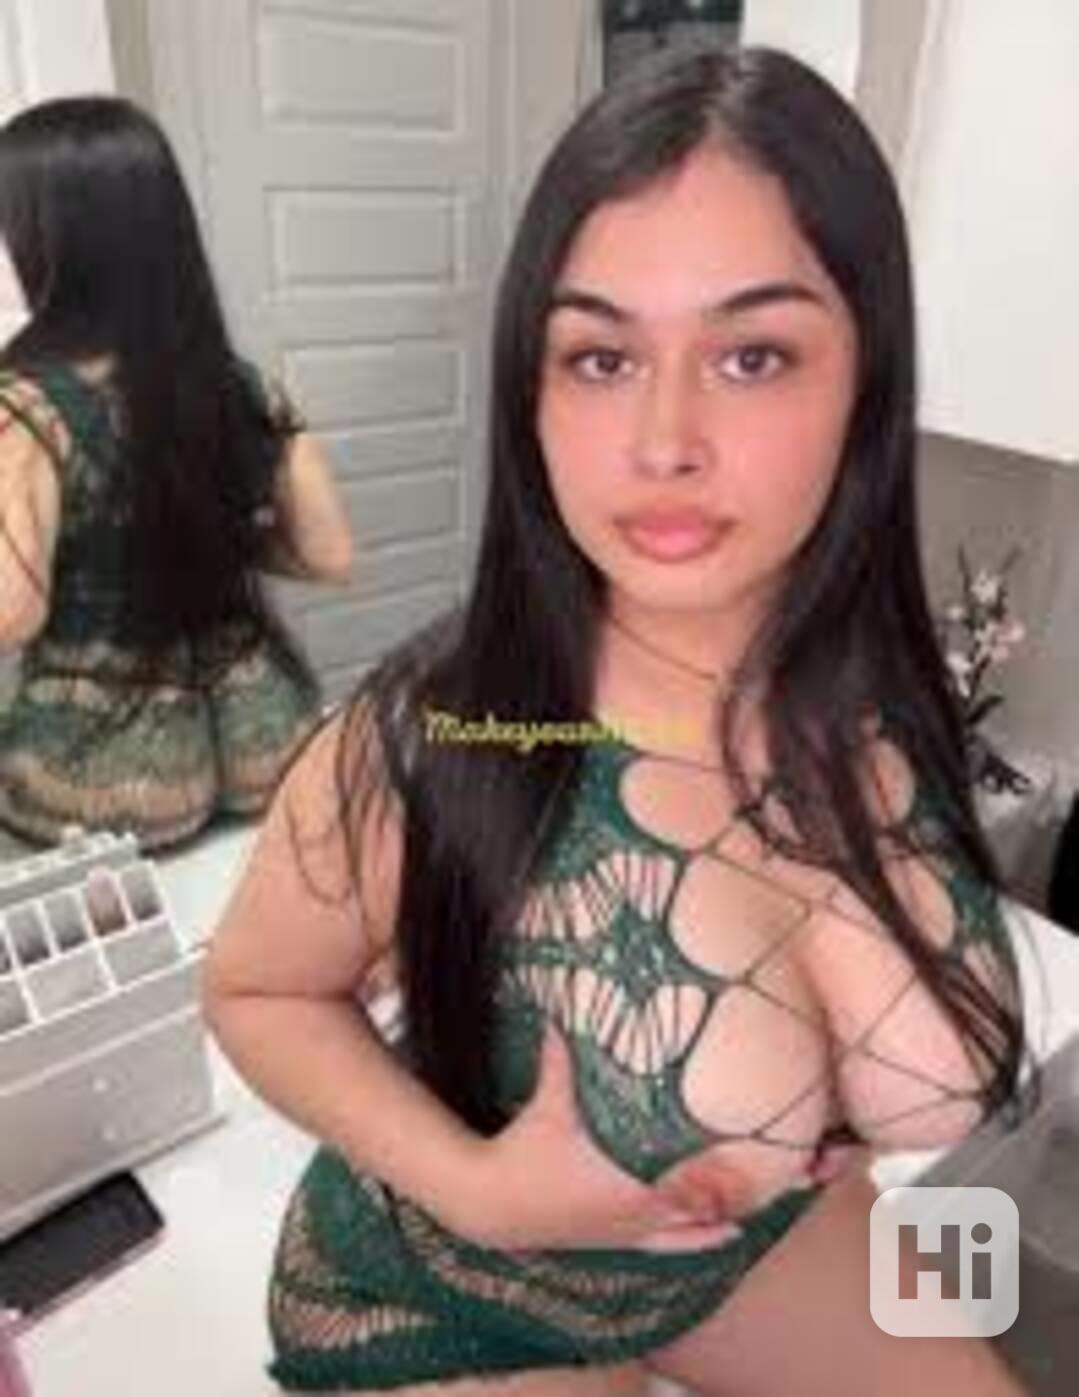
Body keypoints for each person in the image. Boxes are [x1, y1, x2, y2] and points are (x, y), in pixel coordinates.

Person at [204, 48, 1029, 1395]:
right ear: (530, 393)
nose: (660, 442)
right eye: (597, 356)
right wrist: (475, 1187)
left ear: (865, 380)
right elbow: (252, 985)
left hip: (728, 1248)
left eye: (751, 355)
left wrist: (824, 1128)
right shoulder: (454, 733)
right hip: (450, 1292)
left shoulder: (874, 692)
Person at [0, 96, 353, 851]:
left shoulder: (24, 408)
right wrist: (205, 534)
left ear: (43, 238)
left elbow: (12, 613)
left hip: (104, 776)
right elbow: (331, 555)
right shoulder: (236, 383)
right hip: (265, 738)